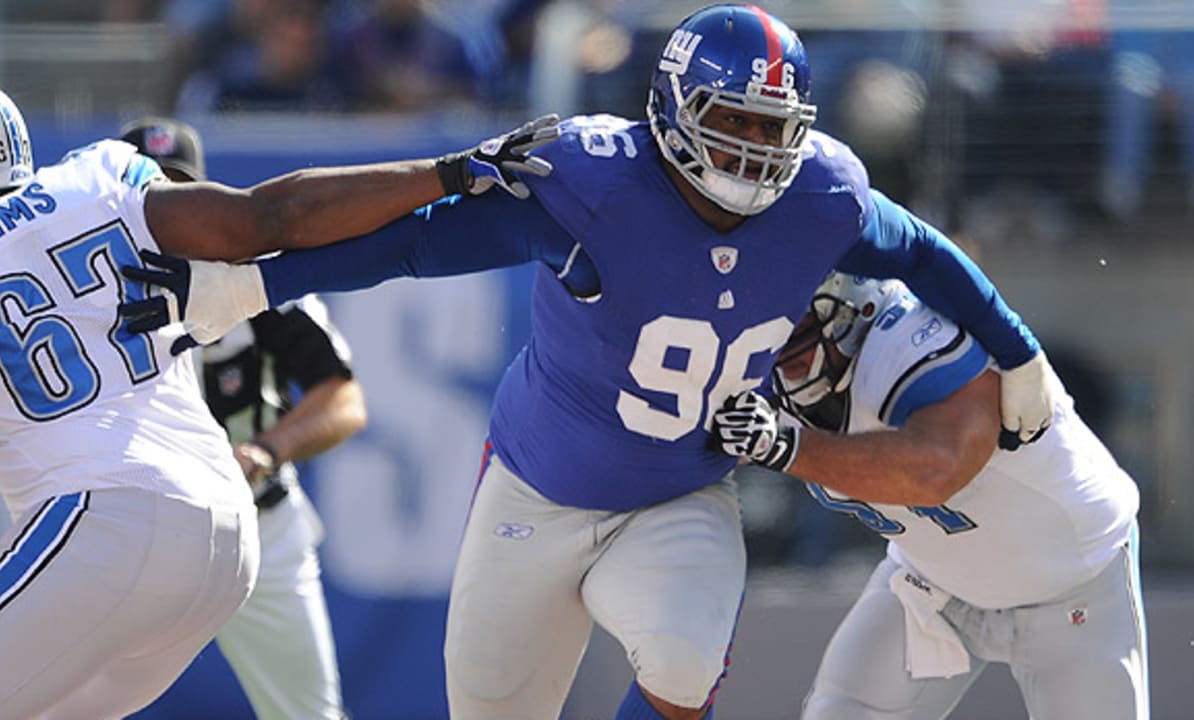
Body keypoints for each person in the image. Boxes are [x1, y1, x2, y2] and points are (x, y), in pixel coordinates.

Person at [120, 5, 1059, 718]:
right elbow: (415, 244)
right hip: (537, 491)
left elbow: (926, 252)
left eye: (775, 127)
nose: (757, 146)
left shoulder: (821, 191)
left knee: (686, 661)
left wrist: (1018, 354)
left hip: (680, 491)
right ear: (673, 109)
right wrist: (248, 289)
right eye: (734, 119)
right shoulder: (597, 182)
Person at [0, 86, 554, 720]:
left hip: (110, 514)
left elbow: (335, 387)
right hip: (227, 534)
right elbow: (275, 216)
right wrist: (444, 173)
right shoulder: (93, 181)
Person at [709, 274, 1147, 719]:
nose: (782, 361)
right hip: (934, 584)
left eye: (797, 337)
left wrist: (786, 447)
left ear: (853, 314)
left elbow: (936, 470)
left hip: (1073, 583)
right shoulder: (770, 372)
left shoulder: (911, 346)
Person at [121, 117, 365, 720]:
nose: (167, 212)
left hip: (255, 522)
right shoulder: (75, 277)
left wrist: (264, 452)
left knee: (309, 715)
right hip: (123, 529)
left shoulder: (252, 270)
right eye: (151, 194)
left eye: (180, 192)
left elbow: (343, 399)